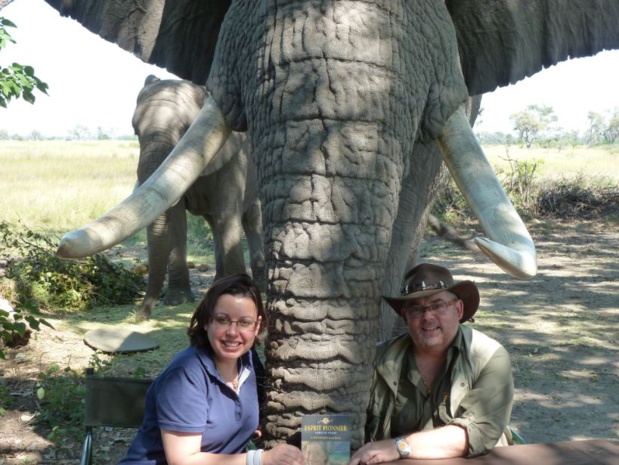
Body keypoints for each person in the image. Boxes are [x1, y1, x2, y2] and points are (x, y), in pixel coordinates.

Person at [119, 273, 304, 465]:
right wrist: (260, 459)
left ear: (257, 326)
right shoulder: (186, 375)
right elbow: (183, 460)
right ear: (207, 321)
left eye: (245, 322)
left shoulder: (247, 360)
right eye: (222, 320)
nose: (233, 333)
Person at [349, 263, 514, 463]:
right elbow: (338, 416)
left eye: (437, 305)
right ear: (405, 316)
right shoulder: (377, 359)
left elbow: (478, 432)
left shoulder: (489, 357)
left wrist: (398, 446)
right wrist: (305, 449)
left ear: (459, 309)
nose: (427, 316)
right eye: (416, 309)